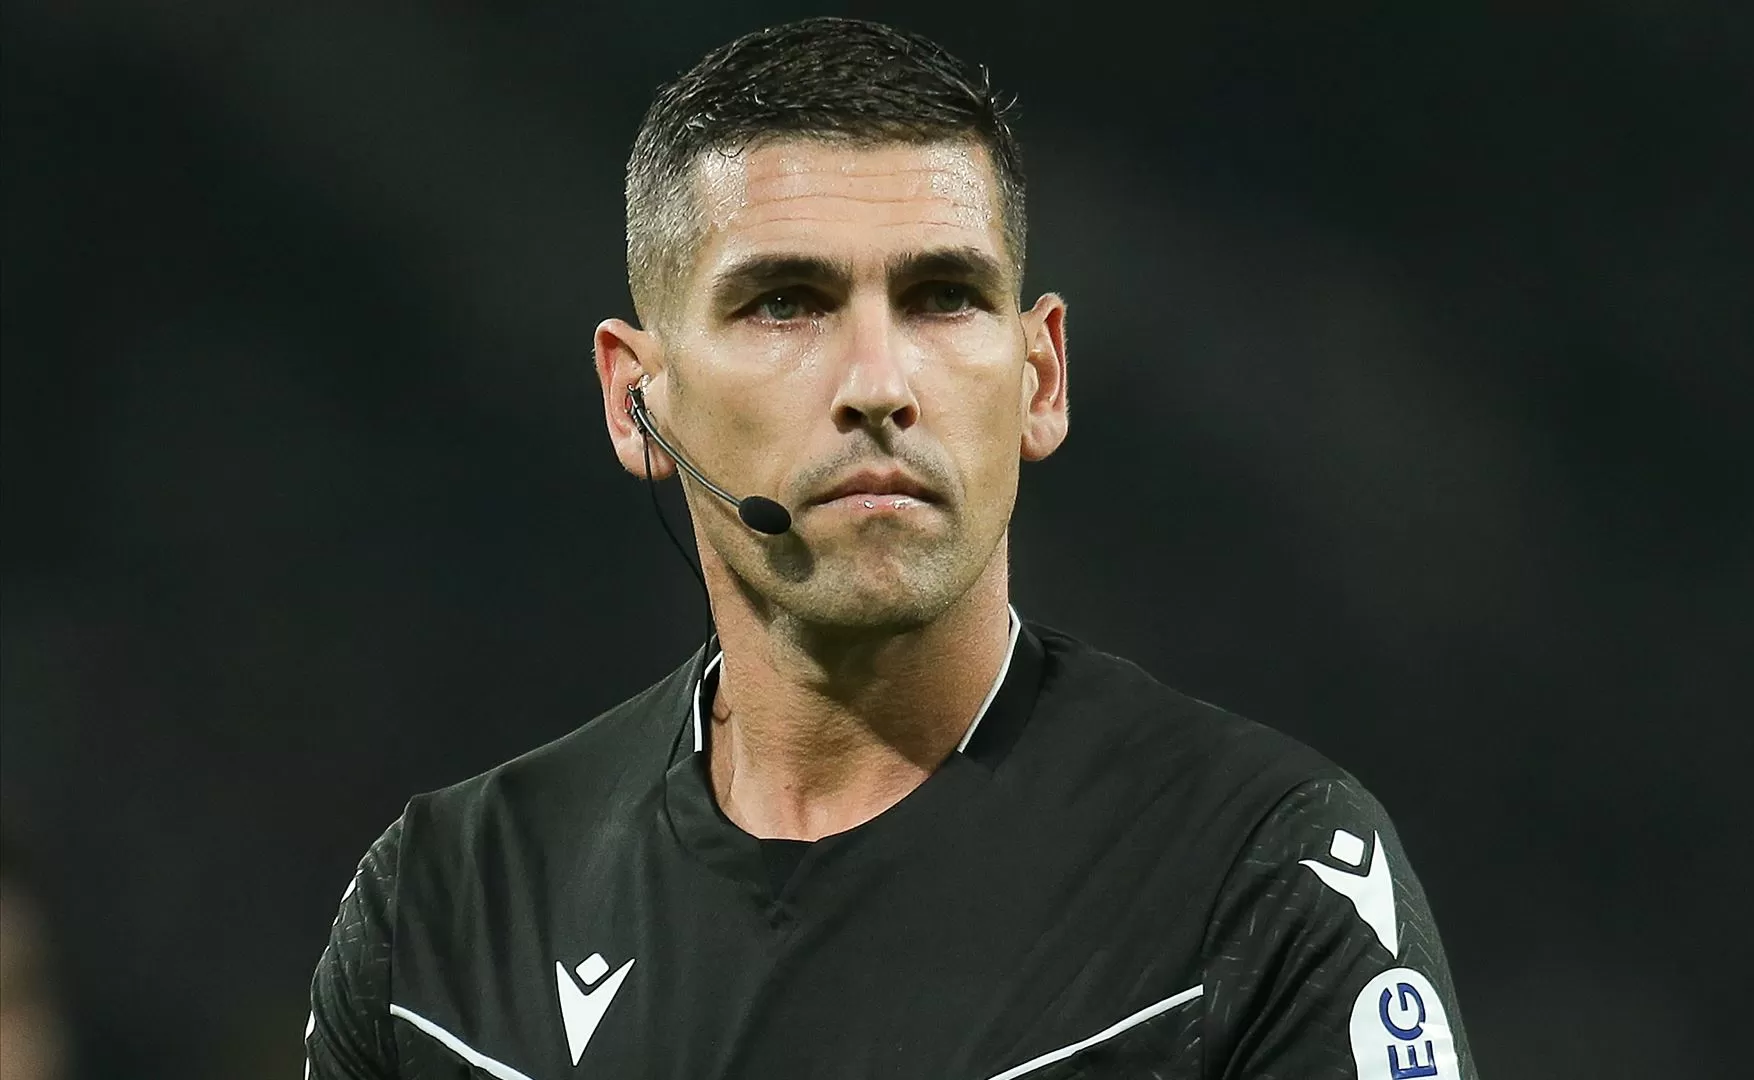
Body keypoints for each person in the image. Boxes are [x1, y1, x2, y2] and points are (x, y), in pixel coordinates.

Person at [306, 16, 1477, 1079]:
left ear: (1041, 378)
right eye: (785, 302)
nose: (877, 384)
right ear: (636, 401)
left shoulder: (1260, 880)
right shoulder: (445, 926)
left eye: (942, 297)